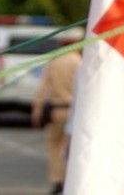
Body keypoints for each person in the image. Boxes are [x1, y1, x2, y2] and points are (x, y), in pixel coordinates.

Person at [31, 44, 82, 195]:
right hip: (76, 111)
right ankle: (72, 180)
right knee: (74, 148)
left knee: (55, 146)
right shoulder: (81, 62)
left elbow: (43, 87)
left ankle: (58, 180)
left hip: (57, 109)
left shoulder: (54, 62)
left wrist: (37, 109)